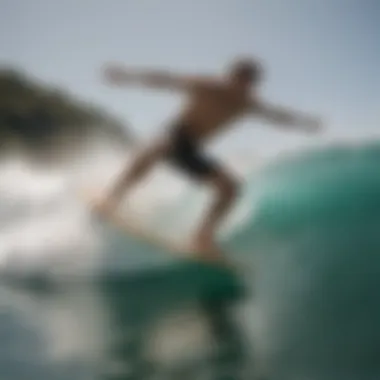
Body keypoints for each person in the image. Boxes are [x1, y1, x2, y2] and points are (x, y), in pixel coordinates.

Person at [98, 58, 322, 261]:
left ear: (253, 84)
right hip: (176, 133)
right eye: (238, 77)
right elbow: (166, 80)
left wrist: (303, 123)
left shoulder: (247, 103)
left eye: (248, 82)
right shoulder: (208, 85)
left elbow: (276, 116)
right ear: (230, 74)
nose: (242, 85)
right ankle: (113, 197)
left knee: (231, 189)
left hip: (192, 149)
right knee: (160, 147)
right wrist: (127, 76)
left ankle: (202, 238)